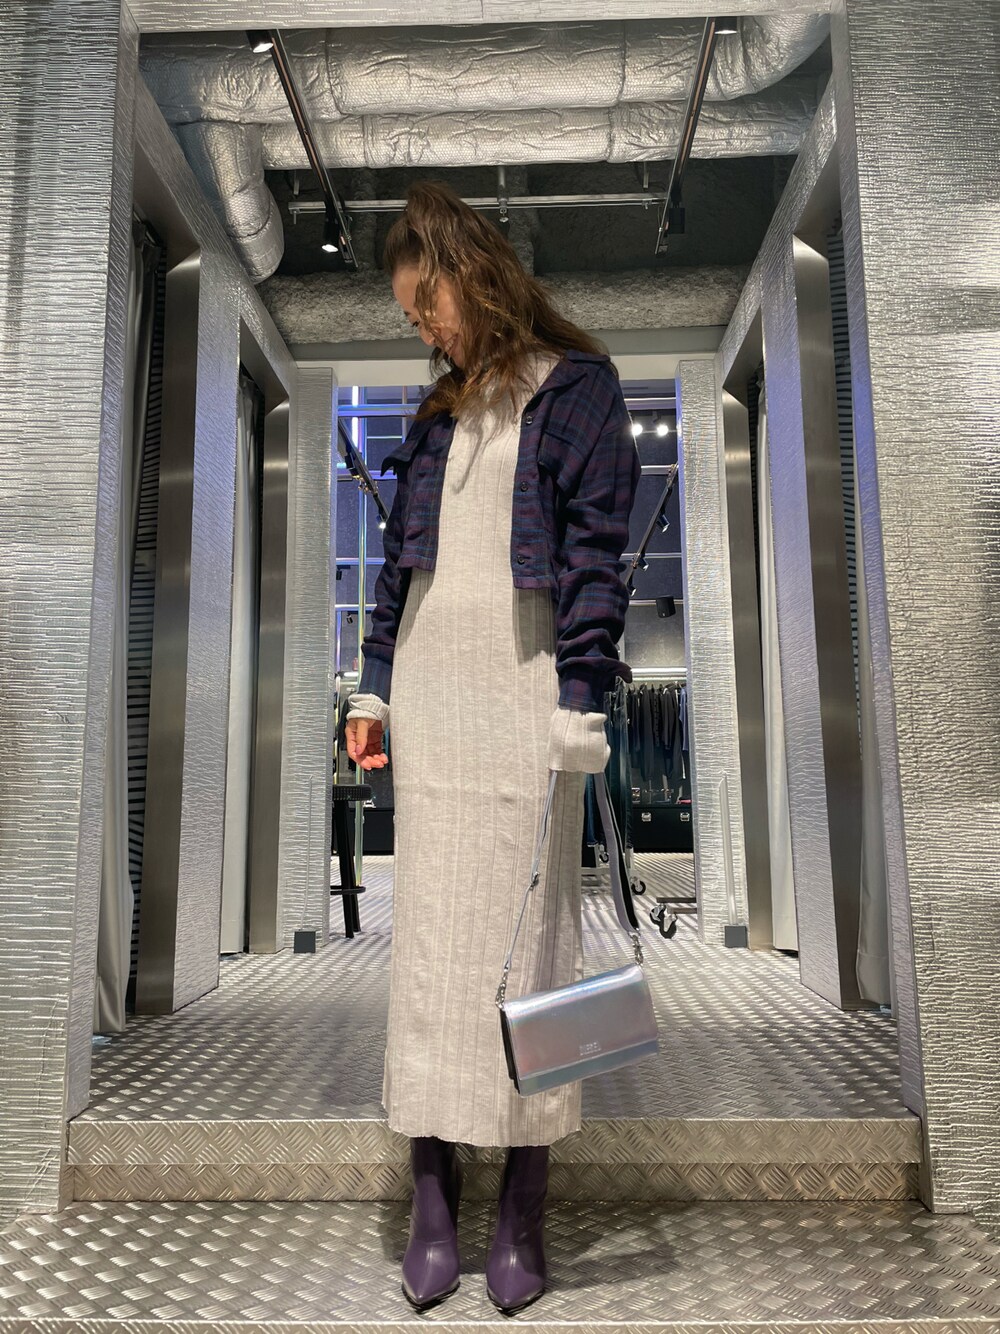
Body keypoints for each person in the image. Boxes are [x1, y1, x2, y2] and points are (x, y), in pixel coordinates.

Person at [344, 180, 641, 1315]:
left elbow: (596, 555)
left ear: (471, 272)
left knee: (532, 947)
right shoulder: (434, 417)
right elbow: (397, 571)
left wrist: (581, 695)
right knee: (428, 945)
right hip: (436, 690)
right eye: (410, 315)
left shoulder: (579, 389)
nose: (423, 327)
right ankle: (433, 1192)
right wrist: (373, 689)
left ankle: (523, 1201)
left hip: (526, 695)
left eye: (427, 304)